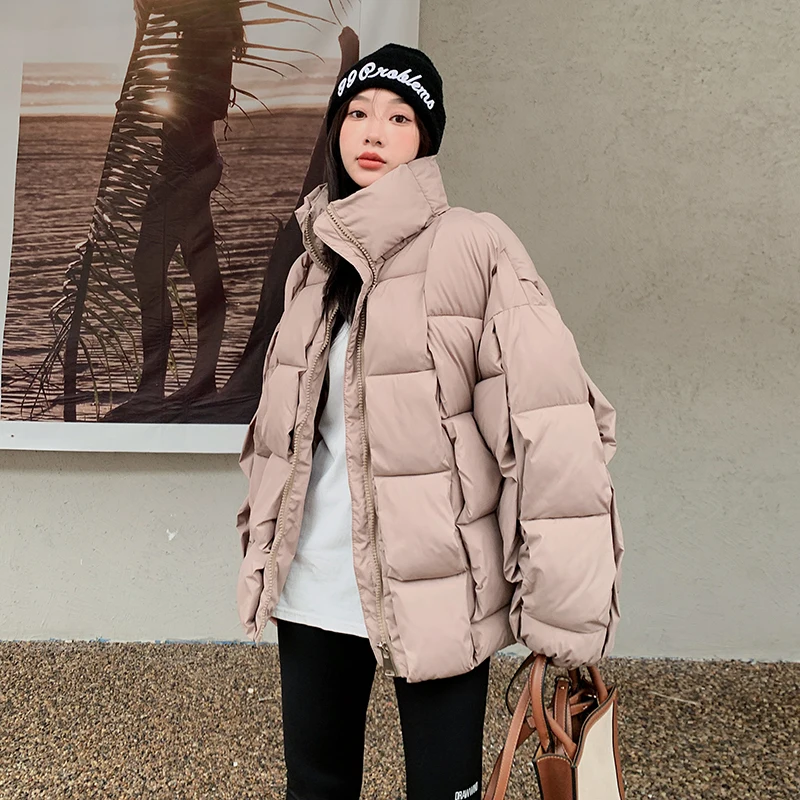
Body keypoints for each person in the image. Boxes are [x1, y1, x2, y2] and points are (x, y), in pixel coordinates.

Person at [236, 43, 623, 800]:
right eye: (357, 112)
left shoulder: (474, 246)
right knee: (315, 787)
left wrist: (564, 615)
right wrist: (262, 544)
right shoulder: (314, 268)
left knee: (445, 789)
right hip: (313, 581)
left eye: (399, 117)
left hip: (441, 589)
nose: (373, 131)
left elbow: (551, 430)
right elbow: (283, 438)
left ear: (426, 139)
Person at [115, 0, 244, 417]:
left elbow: (205, 104)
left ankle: (155, 387)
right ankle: (197, 381)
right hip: (184, 162)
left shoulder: (210, 26)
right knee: (200, 270)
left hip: (188, 166)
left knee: (148, 265)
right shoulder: (201, 28)